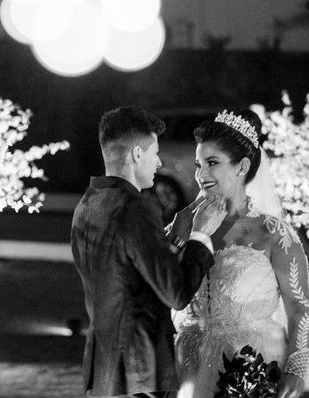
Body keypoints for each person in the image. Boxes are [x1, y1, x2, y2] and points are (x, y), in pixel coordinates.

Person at [71, 106, 227, 398]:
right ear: (137, 154)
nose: (158, 162)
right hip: (141, 371)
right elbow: (176, 294)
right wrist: (200, 235)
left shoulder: (88, 203)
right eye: (154, 152)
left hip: (104, 370)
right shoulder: (136, 208)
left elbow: (128, 273)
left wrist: (176, 239)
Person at [172, 109, 309, 398]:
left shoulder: (274, 234)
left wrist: (295, 369)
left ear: (242, 166)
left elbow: (300, 307)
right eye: (198, 164)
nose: (200, 174)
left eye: (212, 163)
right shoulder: (183, 223)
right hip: (190, 368)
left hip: (252, 368)